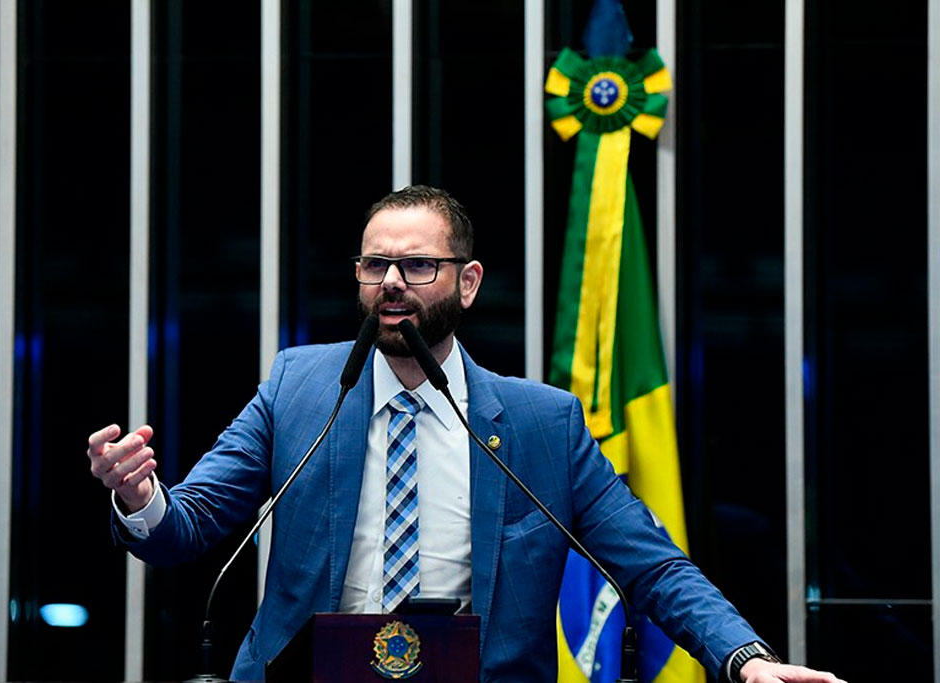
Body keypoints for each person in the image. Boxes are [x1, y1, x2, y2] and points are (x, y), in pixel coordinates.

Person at [87, 186, 845, 683]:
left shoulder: (542, 423)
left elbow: (652, 566)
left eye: (417, 265)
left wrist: (743, 657)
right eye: (375, 264)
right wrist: (141, 495)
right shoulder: (300, 386)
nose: (390, 282)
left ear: (469, 281)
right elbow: (183, 529)